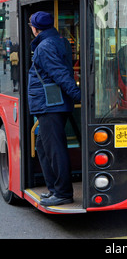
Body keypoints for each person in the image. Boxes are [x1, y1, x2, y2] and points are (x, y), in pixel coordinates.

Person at [27, 11, 81, 207]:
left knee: (55, 149)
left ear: (35, 28)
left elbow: (59, 73)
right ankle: (54, 189)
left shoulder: (45, 46)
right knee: (43, 146)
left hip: (50, 106)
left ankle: (63, 192)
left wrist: (76, 94)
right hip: (55, 104)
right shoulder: (60, 41)